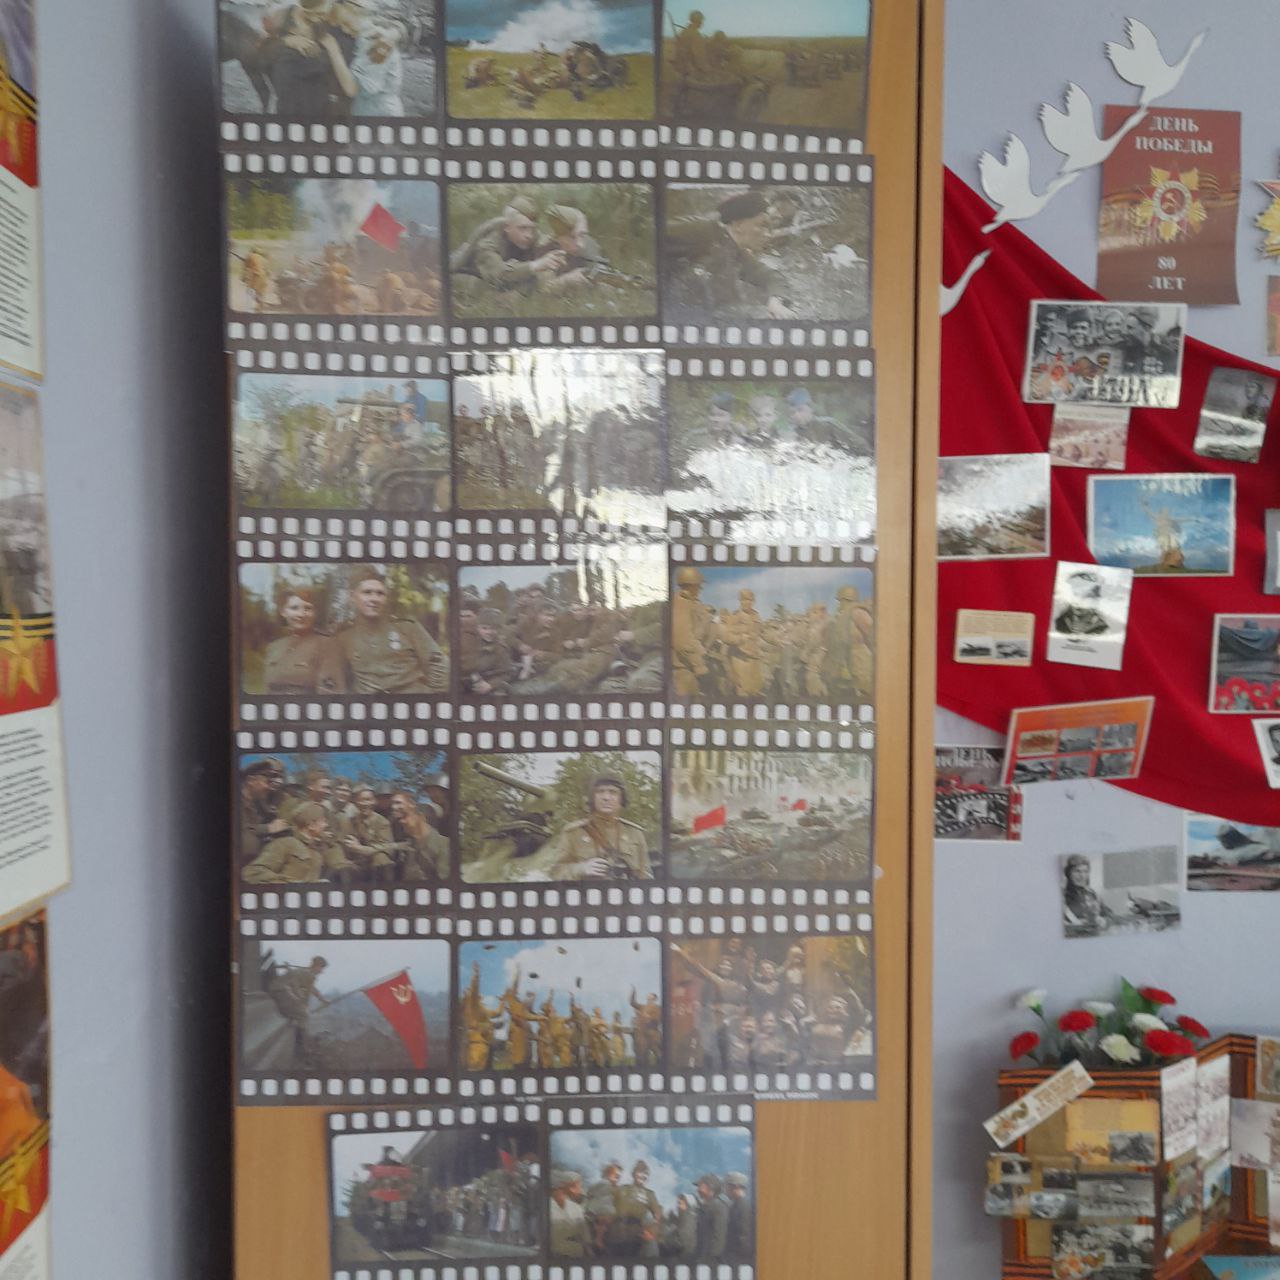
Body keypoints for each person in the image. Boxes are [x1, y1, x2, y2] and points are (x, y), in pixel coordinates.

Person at [666, 190, 795, 320]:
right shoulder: (702, 229)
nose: (768, 234)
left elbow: (768, 275)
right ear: (738, 225)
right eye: (762, 225)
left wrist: (775, 301)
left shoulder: (736, 250)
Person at [335, 567, 448, 694]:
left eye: (380, 594)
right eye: (367, 592)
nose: (374, 599)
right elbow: (338, 679)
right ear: (352, 596)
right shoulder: (344, 636)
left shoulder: (406, 627)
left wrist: (435, 697)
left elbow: (438, 664)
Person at [534, 775, 653, 880]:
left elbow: (646, 876)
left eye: (613, 792)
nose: (606, 797)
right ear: (592, 798)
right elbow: (555, 872)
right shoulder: (574, 832)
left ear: (621, 799)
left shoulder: (634, 833)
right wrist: (581, 868)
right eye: (600, 791)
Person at [449, 195, 566, 298]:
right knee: (480, 287)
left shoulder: (531, 235)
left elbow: (542, 242)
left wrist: (556, 252)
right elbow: (500, 274)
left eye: (532, 229)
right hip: (467, 273)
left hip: (501, 277)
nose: (529, 235)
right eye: (523, 228)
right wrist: (537, 265)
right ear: (507, 227)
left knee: (531, 281)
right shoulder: (487, 244)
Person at [243, 800, 355, 883]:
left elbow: (340, 865)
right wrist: (293, 885)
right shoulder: (285, 843)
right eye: (323, 821)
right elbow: (252, 872)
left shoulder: (318, 850)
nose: (326, 825)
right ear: (311, 825)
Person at [262, 585, 346, 695]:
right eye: (294, 608)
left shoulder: (327, 645)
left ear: (315, 613)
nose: (301, 614)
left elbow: (330, 694)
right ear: (283, 611)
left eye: (308, 608)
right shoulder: (274, 647)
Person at [267, 954, 331, 1061]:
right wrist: (300, 1002)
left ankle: (301, 1045)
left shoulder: (307, 974)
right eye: (321, 968)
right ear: (316, 966)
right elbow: (294, 985)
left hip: (280, 990)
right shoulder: (306, 974)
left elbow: (311, 989)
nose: (321, 971)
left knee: (302, 1013)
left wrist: (322, 1000)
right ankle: (300, 1049)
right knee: (303, 1015)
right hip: (280, 991)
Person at [671, 565, 714, 697]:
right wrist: (698, 664)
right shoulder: (681, 603)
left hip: (687, 666)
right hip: (682, 669)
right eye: (698, 586)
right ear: (692, 586)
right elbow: (683, 640)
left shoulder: (691, 603)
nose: (700, 589)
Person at [389, 790, 449, 881]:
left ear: (421, 817)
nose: (403, 823)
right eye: (400, 821)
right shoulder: (409, 847)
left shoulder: (444, 845)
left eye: (406, 818)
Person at [337, 786, 395, 878]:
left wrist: (359, 848)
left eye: (368, 800)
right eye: (361, 800)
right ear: (355, 803)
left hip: (376, 866)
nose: (365, 804)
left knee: (381, 858)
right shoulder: (350, 821)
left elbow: (385, 849)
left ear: (374, 801)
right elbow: (343, 843)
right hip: (357, 865)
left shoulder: (382, 823)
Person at [240, 759, 290, 866]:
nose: (269, 787)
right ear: (250, 780)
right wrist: (268, 828)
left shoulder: (258, 804)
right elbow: (241, 831)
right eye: (267, 782)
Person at [610, 1160, 662, 1257]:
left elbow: (657, 1216)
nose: (643, 1175)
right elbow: (609, 1204)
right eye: (640, 1172)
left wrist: (652, 1234)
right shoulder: (622, 1188)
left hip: (635, 1235)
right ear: (633, 1173)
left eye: (646, 1173)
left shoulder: (649, 1194)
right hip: (614, 1232)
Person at [1062, 854, 1110, 934]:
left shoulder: (1093, 895)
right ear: (1068, 873)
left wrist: (1104, 920)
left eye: (1085, 871)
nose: (1082, 876)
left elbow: (1109, 915)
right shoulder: (1061, 896)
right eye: (1077, 871)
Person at [549, 1169, 589, 1258]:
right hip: (559, 1256)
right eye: (579, 1186)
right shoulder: (576, 1208)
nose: (580, 1190)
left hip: (572, 1255)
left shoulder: (576, 1208)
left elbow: (584, 1235)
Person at [693, 1174, 729, 1258]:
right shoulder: (705, 1206)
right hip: (702, 1255)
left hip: (711, 1258)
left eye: (700, 1186)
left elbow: (719, 1236)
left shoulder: (718, 1206)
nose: (698, 1189)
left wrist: (711, 1257)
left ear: (710, 1187)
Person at [724, 1172, 752, 1260]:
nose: (725, 1190)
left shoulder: (743, 1206)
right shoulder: (736, 1205)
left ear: (735, 1187)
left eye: (727, 1186)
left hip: (739, 1256)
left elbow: (744, 1233)